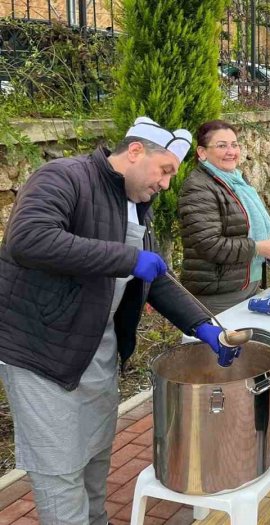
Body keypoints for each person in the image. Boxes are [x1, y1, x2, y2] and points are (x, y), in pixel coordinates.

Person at [0, 116, 239, 525]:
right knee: (60, 469)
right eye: (164, 170)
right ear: (135, 152)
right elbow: (29, 239)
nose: (166, 184)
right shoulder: (63, 176)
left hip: (97, 350)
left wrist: (204, 327)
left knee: (95, 457)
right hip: (41, 353)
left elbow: (153, 277)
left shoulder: (136, 204)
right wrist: (128, 258)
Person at [178, 120, 270, 315]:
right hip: (218, 293)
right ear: (202, 152)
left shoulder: (236, 180)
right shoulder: (198, 187)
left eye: (234, 144)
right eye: (222, 146)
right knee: (223, 336)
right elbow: (208, 244)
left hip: (247, 284)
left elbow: (244, 228)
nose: (231, 152)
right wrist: (257, 248)